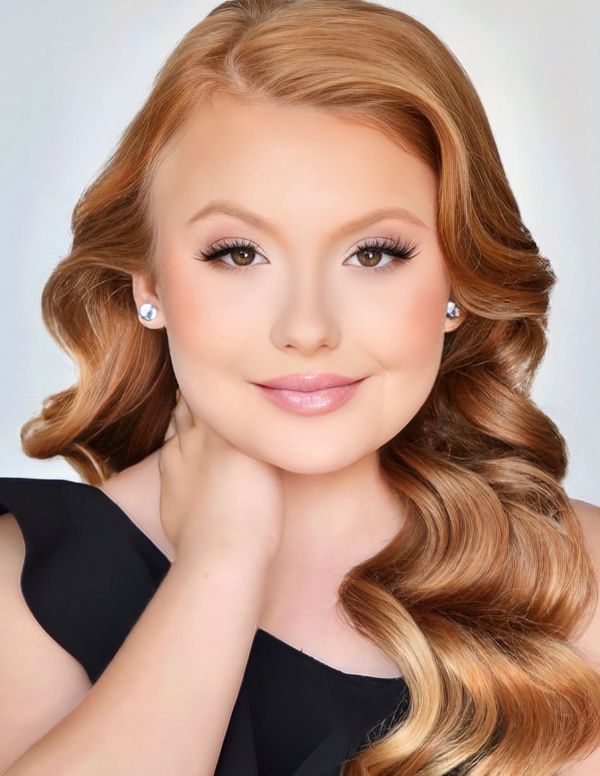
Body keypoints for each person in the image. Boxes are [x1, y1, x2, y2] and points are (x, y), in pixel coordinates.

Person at [1, 0, 599, 773]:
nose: (308, 327)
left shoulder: (571, 578)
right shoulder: (25, 584)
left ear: (457, 278)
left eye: (374, 253)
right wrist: (221, 562)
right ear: (149, 284)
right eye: (239, 253)